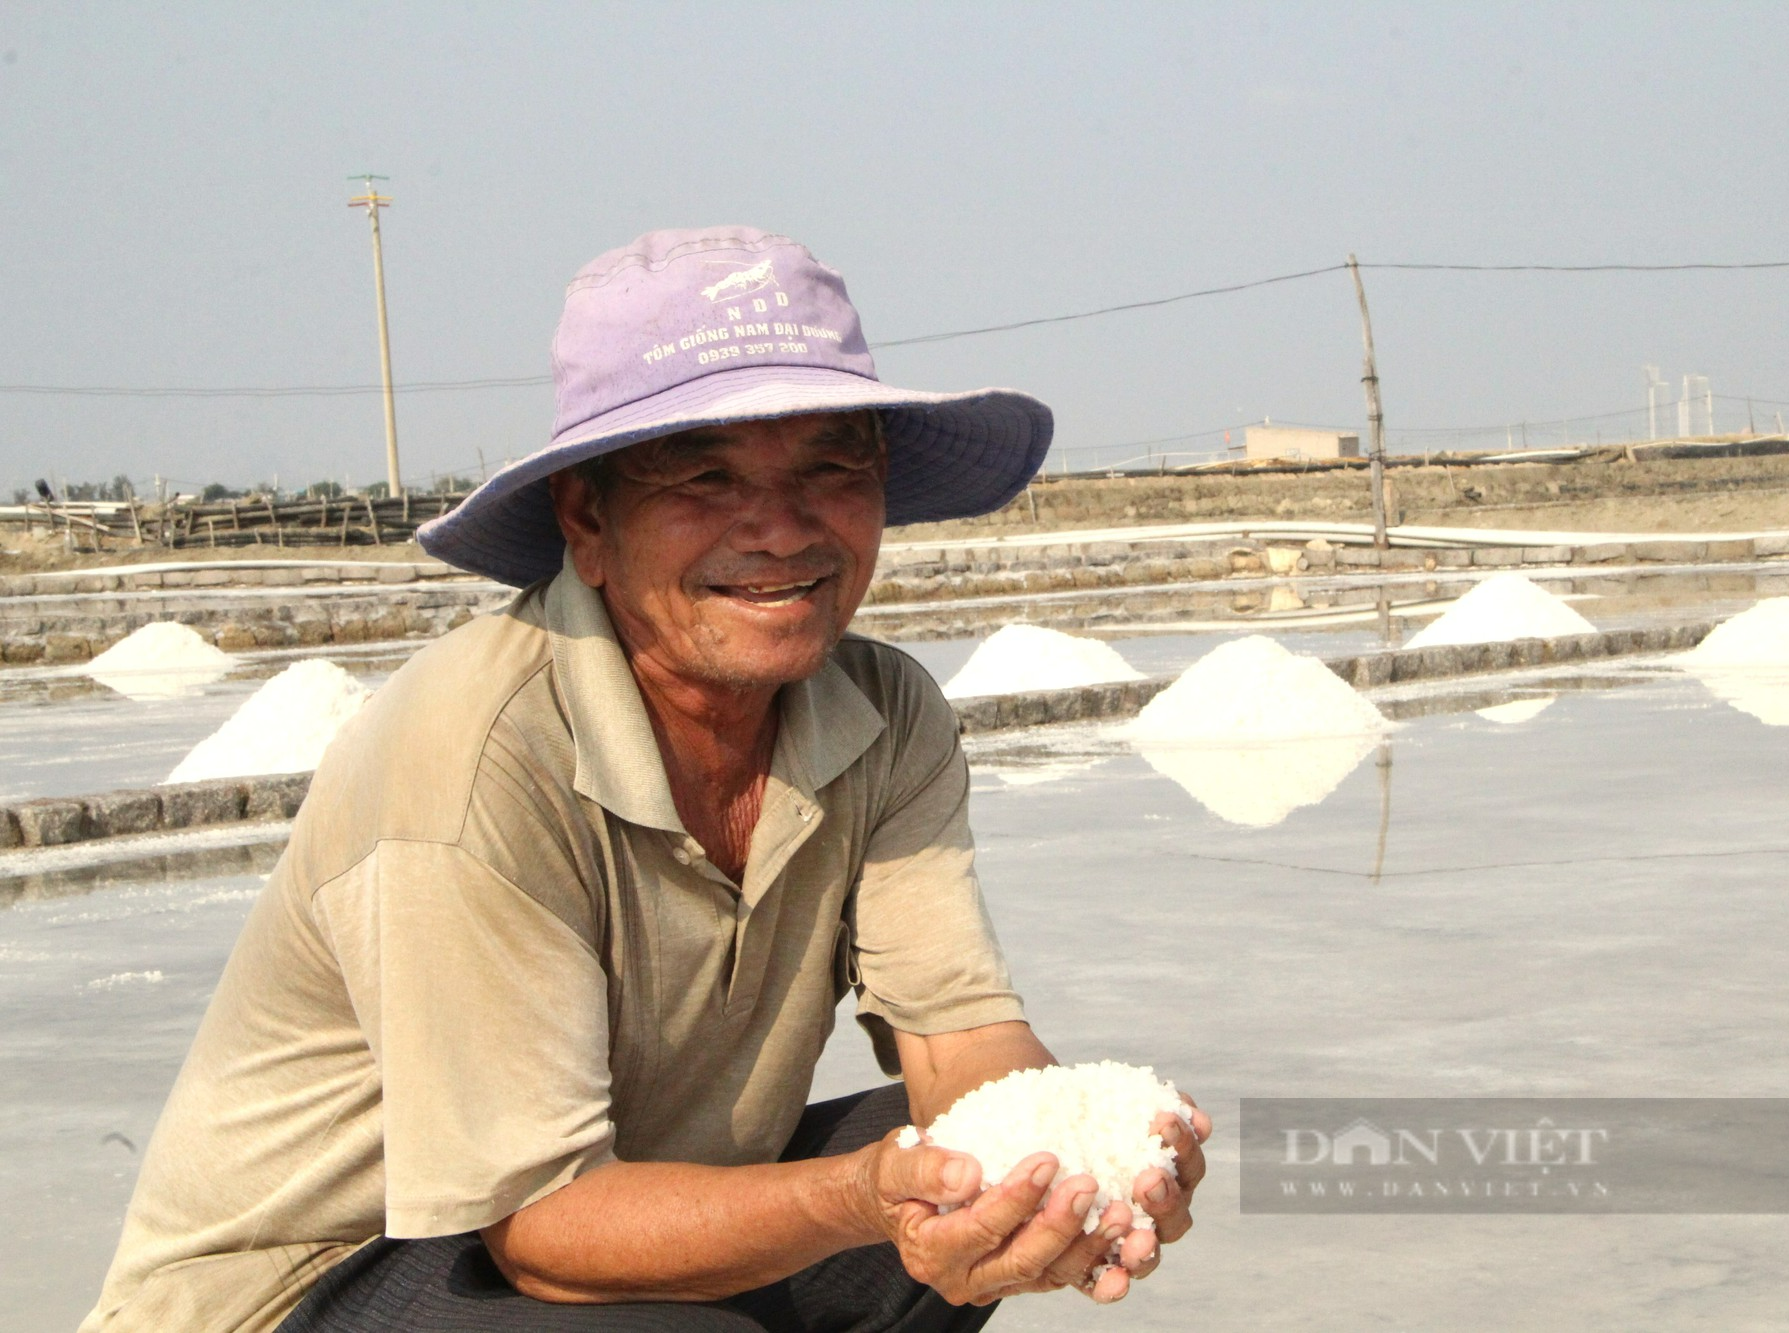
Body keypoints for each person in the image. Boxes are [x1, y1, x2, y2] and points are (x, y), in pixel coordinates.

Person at [81, 227, 1208, 1333]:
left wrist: (1067, 1158)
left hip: (609, 1212)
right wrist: (864, 1193)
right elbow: (540, 1227)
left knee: (957, 1171)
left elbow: (957, 1037)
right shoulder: (478, 756)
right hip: (317, 1283)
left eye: (830, 466)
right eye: (703, 476)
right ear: (587, 518)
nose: (778, 526)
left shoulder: (882, 714)